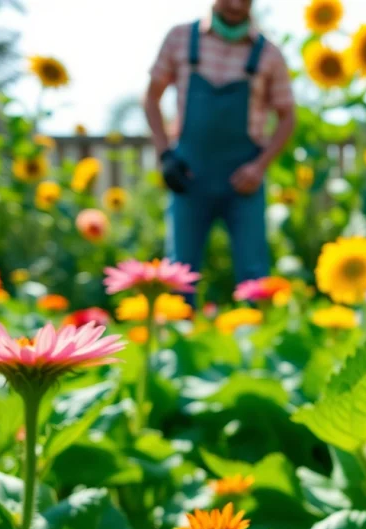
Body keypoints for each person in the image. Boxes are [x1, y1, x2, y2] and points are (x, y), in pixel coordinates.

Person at [144, 0, 295, 305]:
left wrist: (259, 166)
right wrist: (165, 156)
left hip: (243, 179)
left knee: (255, 278)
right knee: (178, 275)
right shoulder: (180, 39)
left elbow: (288, 117)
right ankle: (177, 345)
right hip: (189, 174)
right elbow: (151, 98)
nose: (237, 4)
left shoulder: (268, 54)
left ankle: (257, 344)